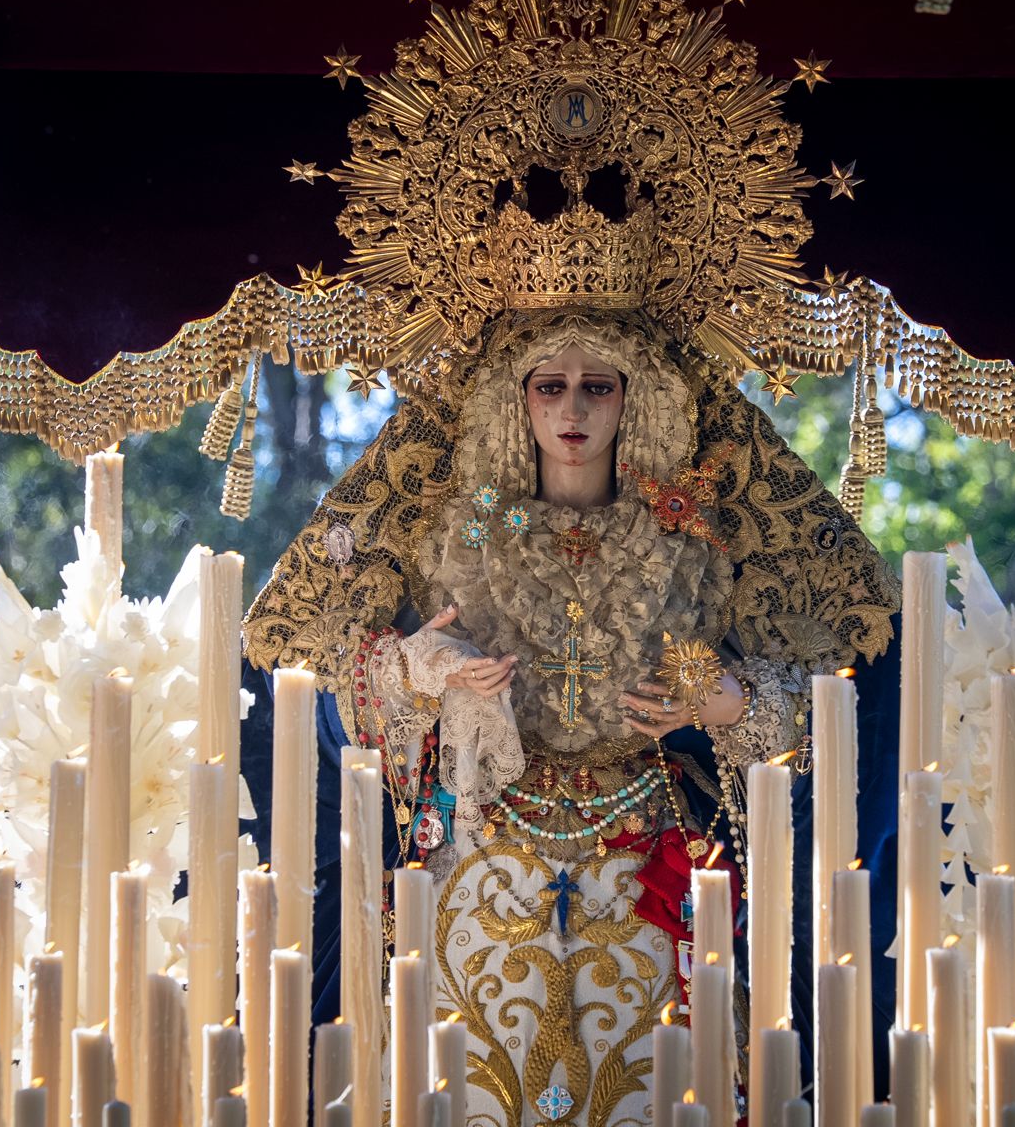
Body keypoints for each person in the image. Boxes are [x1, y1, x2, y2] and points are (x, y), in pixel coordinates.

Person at [246, 275, 898, 1124]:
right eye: (550, 386)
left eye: (599, 386)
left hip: (651, 859)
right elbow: (325, 666)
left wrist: (724, 701)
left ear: (636, 400)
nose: (573, 411)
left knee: (662, 1078)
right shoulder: (470, 525)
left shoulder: (688, 533)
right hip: (479, 858)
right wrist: (422, 668)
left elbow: (824, 691)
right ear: (516, 401)